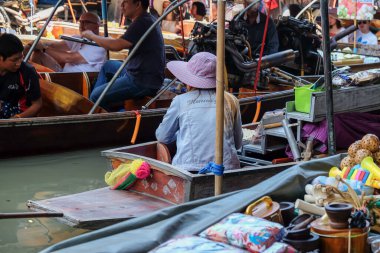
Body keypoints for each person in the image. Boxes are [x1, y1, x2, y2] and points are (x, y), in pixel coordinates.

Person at [156, 52, 243, 172]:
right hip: (227, 168)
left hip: (190, 169)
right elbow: (238, 144)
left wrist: (181, 133)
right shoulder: (231, 100)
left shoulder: (180, 101)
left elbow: (162, 136)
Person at [81, 0, 165, 110]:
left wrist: (92, 35)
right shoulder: (146, 19)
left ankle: (97, 110)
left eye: (125, 2)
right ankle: (108, 105)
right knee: (108, 65)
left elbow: (117, 46)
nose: (121, 6)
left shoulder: (142, 22)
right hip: (142, 74)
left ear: (138, 4)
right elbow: (121, 41)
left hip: (141, 81)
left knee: (96, 96)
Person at [26, 12, 107, 72]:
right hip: (64, 74)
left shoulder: (101, 43)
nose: (81, 25)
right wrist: (36, 43)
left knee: (39, 50)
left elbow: (69, 58)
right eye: (80, 22)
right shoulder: (78, 38)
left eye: (86, 22)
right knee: (37, 52)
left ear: (97, 25)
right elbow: (55, 45)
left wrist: (44, 48)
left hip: (79, 81)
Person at [0, 33, 42, 119]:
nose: (19, 63)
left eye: (21, 57)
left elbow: (37, 104)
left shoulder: (27, 72)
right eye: (14, 60)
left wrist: (18, 118)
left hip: (20, 118)